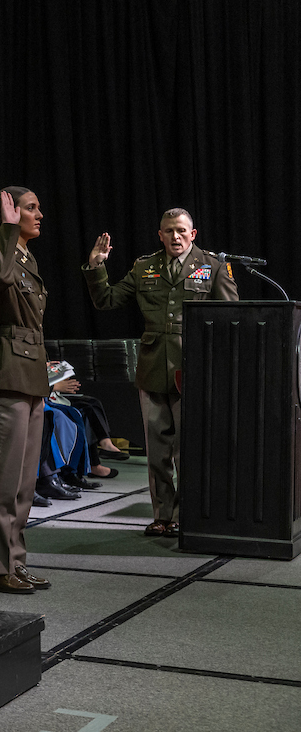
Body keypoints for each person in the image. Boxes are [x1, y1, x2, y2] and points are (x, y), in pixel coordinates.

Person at [84, 209, 238, 536]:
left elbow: (230, 316)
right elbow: (107, 300)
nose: (175, 237)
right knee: (157, 451)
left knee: (188, 448)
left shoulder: (212, 266)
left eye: (181, 230)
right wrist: (97, 266)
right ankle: (162, 515)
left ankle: (186, 515)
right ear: (160, 234)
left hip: (194, 369)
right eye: (169, 231)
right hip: (153, 367)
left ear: (193, 234)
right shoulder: (145, 267)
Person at [0, 186, 52, 595]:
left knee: (24, 482)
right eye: (30, 208)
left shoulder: (27, 256)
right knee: (4, 480)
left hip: (31, 373)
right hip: (7, 372)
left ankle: (15, 561)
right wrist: (6, 231)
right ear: (10, 213)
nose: (39, 215)